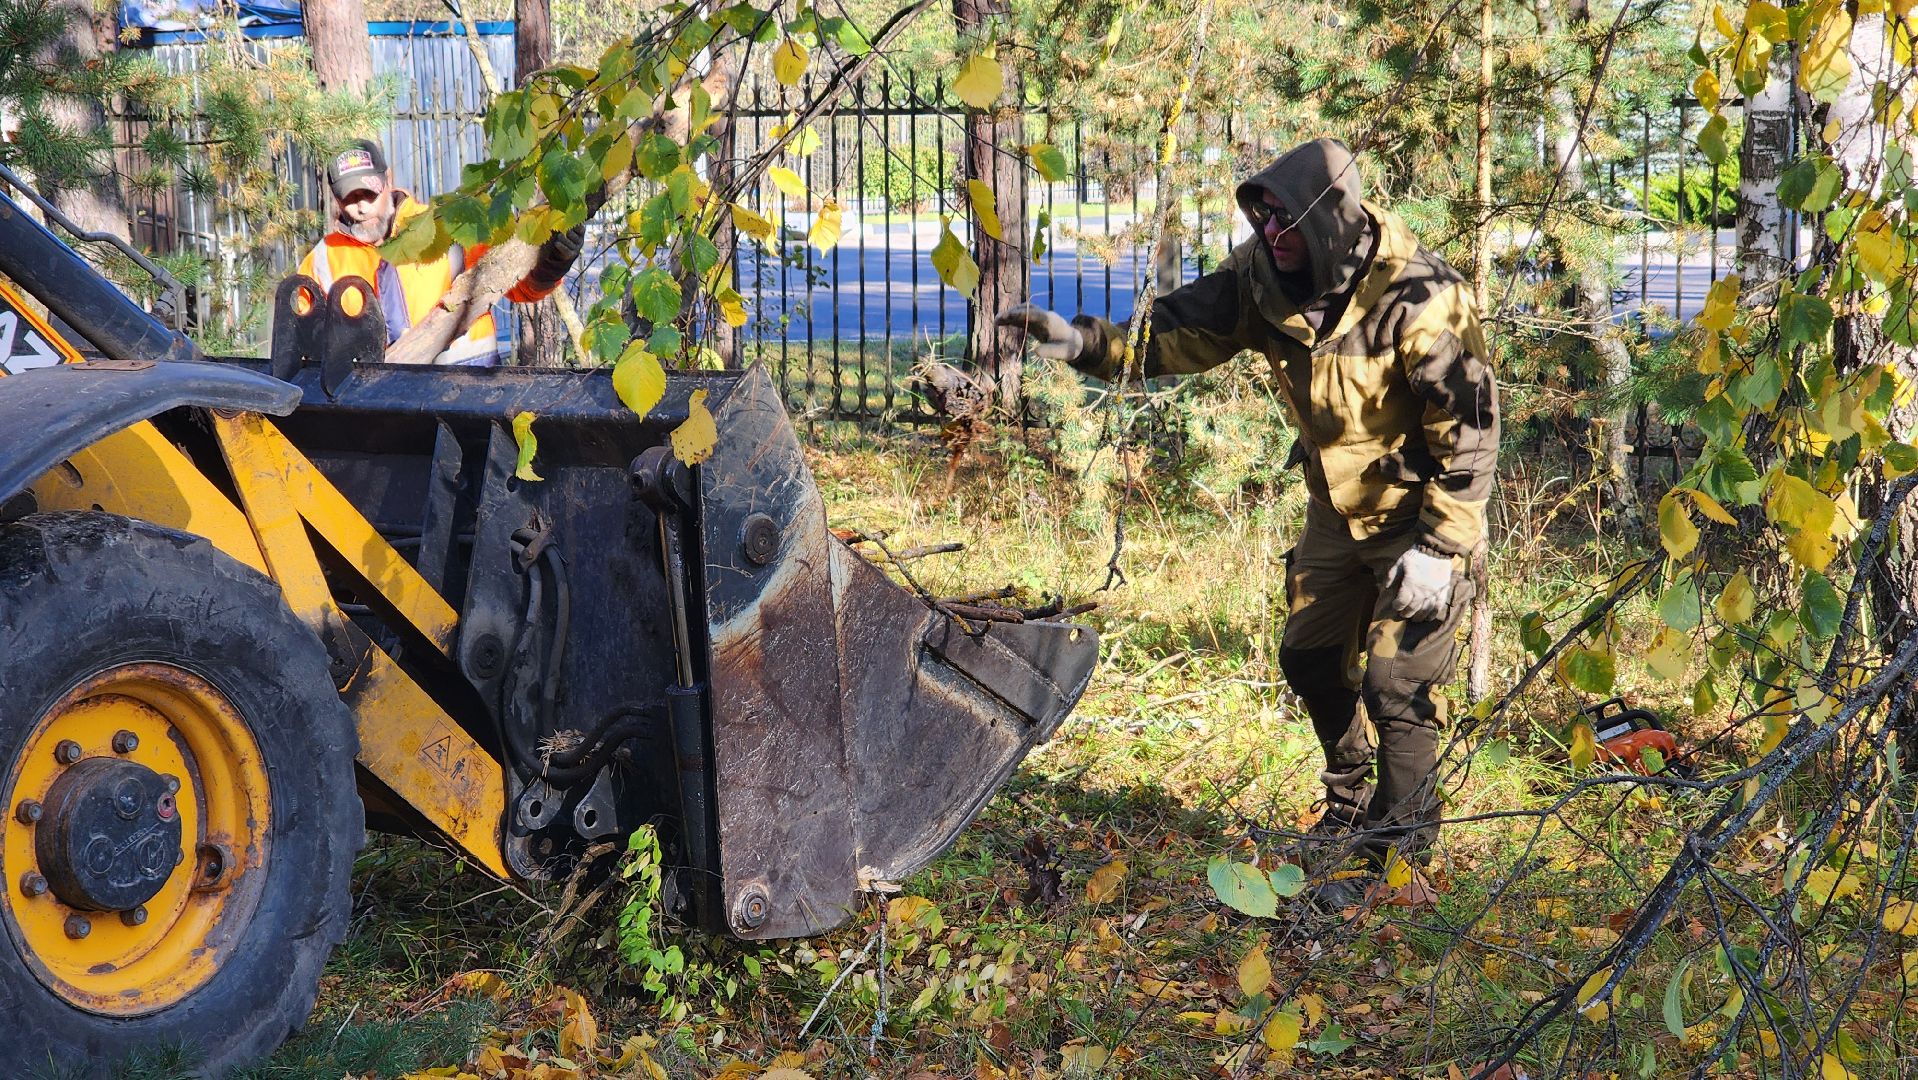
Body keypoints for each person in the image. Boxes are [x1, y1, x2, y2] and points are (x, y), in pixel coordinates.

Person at [999, 138, 1498, 905]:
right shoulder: (1263, 275)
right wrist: (1084, 345)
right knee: (1308, 656)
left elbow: (1470, 429)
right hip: (1337, 511)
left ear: (1332, 220)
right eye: (1261, 220)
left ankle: (1397, 863)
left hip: (1423, 517)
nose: (1270, 236)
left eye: (1285, 224)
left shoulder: (1423, 296)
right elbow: (1176, 330)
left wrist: (1440, 550)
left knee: (1397, 683)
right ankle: (1350, 792)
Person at [299, 138, 582, 365]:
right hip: (379, 405)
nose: (361, 208)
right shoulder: (325, 258)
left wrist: (553, 261)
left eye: (368, 194)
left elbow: (519, 285)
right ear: (336, 199)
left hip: (467, 389)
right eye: (350, 198)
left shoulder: (445, 227)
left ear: (387, 181)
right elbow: (305, 336)